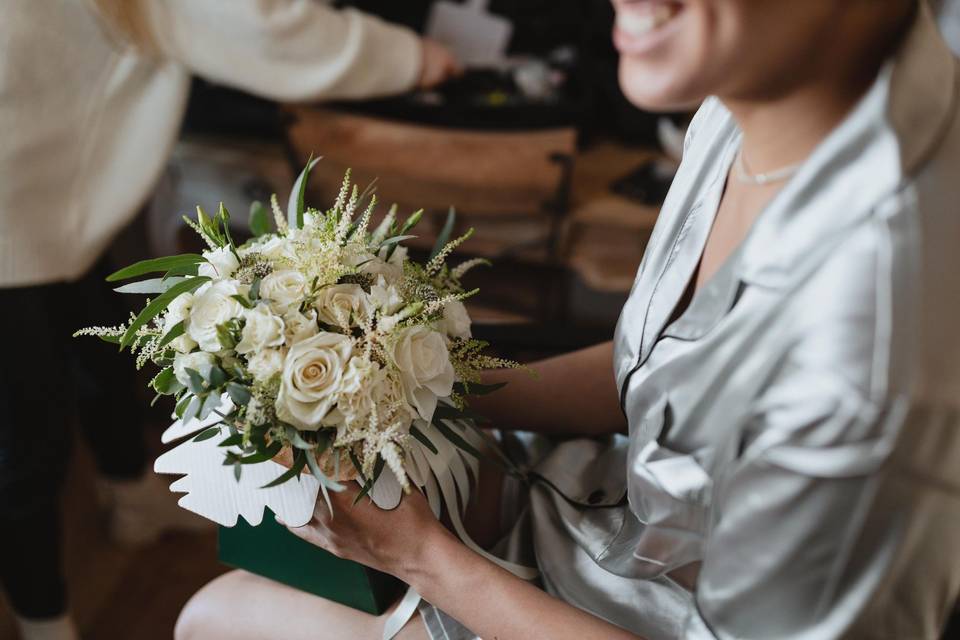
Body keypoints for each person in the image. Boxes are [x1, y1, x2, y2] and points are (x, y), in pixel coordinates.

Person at [176, 0, 960, 638]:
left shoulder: (867, 353)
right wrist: (405, 376)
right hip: (611, 513)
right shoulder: (755, 93)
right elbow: (649, 373)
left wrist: (424, 559)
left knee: (214, 618)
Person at [0, 1, 460, 639]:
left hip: (36, 174)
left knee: (98, 346)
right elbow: (261, 25)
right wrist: (414, 59)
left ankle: (130, 494)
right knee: (27, 438)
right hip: (13, 196)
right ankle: (43, 620)